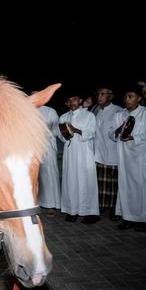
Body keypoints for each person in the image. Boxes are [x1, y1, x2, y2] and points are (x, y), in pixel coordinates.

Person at [110, 84, 146, 232]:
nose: (127, 99)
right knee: (126, 187)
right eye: (125, 96)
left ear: (139, 98)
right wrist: (118, 130)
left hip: (142, 156)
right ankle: (128, 218)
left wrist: (134, 137)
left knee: (143, 187)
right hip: (125, 158)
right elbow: (111, 135)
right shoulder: (119, 115)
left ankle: (144, 220)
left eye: (131, 96)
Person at [58, 90, 100, 224]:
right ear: (66, 103)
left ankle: (90, 212)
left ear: (80, 100)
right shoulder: (63, 117)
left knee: (86, 180)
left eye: (74, 99)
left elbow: (92, 132)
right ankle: (72, 210)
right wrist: (67, 135)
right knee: (71, 180)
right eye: (69, 100)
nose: (72, 102)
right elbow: (61, 136)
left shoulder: (89, 115)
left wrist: (77, 130)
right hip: (70, 153)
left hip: (85, 153)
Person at [93, 88, 122, 220]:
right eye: (98, 94)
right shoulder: (96, 110)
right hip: (98, 152)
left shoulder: (118, 111)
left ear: (110, 96)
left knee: (113, 183)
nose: (99, 96)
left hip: (113, 152)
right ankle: (101, 206)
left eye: (103, 94)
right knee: (100, 183)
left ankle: (114, 209)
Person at [35, 101, 61, 217]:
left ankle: (52, 205)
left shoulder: (51, 111)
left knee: (49, 175)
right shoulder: (28, 109)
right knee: (35, 176)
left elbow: (57, 130)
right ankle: (36, 203)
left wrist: (47, 131)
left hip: (47, 147)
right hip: (32, 147)